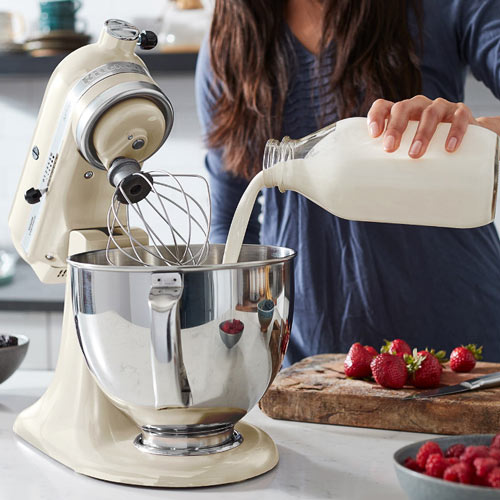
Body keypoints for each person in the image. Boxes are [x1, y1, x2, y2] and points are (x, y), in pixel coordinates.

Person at [195, 0, 500, 365]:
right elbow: (230, 227)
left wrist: (484, 137)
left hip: (464, 352)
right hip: (313, 362)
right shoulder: (232, 40)